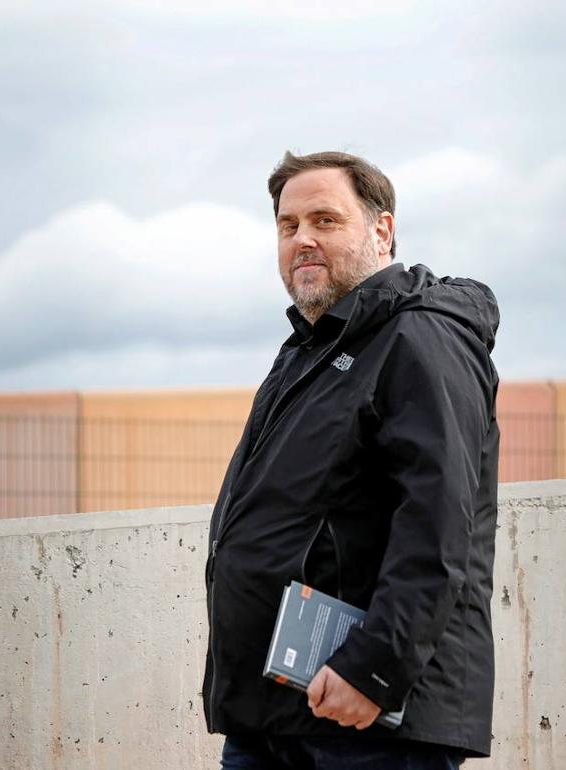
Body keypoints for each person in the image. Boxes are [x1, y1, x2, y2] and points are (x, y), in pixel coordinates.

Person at [202, 150, 500, 769]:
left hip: (368, 719)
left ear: (381, 231)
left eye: (325, 220)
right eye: (288, 226)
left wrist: (374, 668)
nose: (302, 240)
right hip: (276, 709)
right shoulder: (308, 351)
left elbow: (440, 523)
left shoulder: (421, 336)